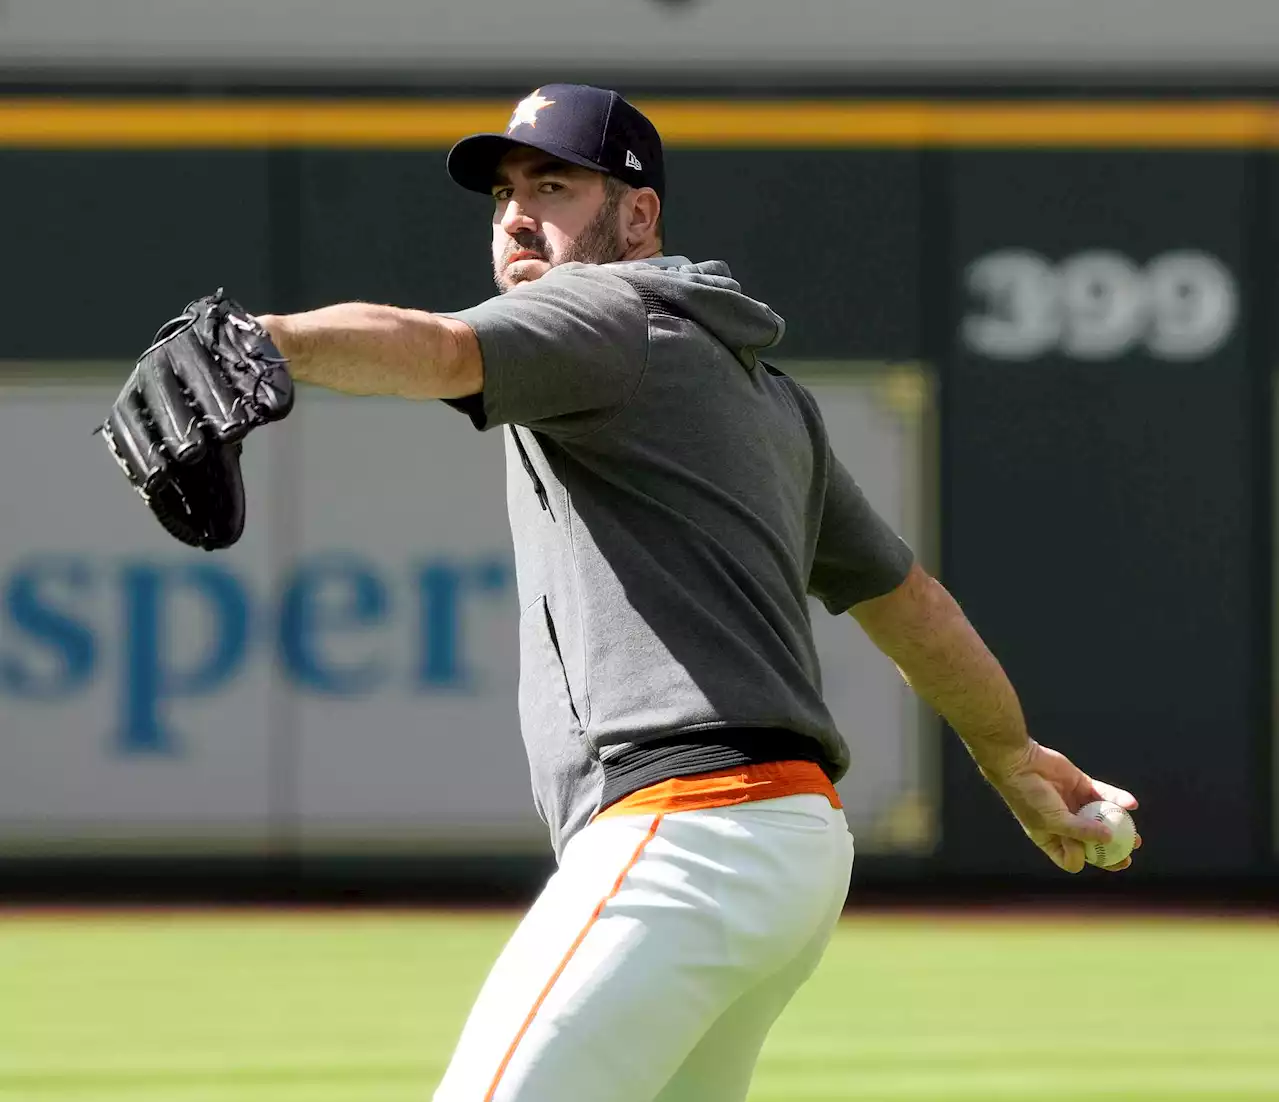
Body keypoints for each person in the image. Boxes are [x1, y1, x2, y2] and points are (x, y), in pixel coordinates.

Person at [254, 84, 1139, 1102]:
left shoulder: (600, 308)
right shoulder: (766, 393)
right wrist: (1006, 751)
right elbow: (908, 600)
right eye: (502, 192)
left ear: (637, 216)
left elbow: (437, 347)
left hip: (687, 835)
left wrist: (270, 339)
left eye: (553, 184)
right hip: (792, 847)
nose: (515, 215)